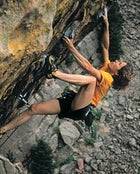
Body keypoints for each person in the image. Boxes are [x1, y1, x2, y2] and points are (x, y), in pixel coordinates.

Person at [0, 13, 133, 138]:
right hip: (73, 102)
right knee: (34, 108)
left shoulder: (108, 79)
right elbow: (105, 47)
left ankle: (54, 73)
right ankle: (3, 130)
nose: (116, 61)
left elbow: (87, 66)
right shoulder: (107, 68)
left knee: (92, 80)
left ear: (117, 73)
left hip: (82, 108)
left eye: (119, 63)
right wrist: (107, 26)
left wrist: (71, 47)